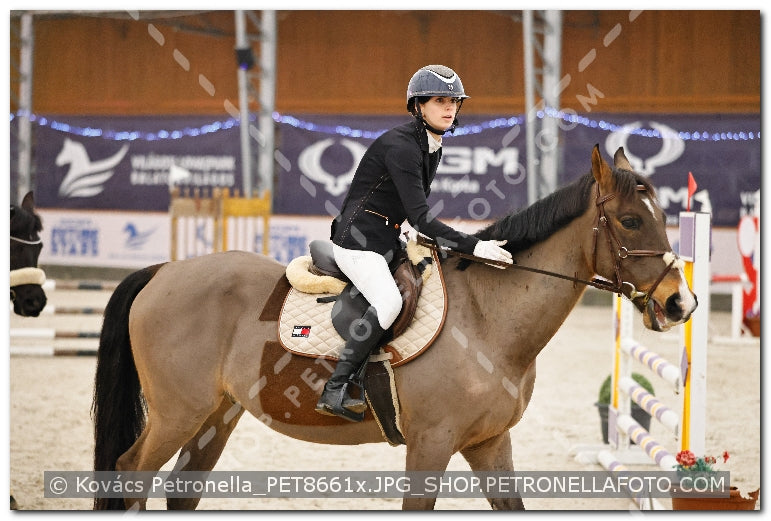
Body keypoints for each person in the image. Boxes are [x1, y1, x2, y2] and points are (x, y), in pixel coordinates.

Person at [315, 64, 513, 421]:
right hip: (357, 241)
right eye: (440, 101)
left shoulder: (431, 145)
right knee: (389, 302)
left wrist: (412, 232)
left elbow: (410, 210)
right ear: (419, 106)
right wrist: (475, 246)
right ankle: (335, 387)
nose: (449, 108)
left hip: (387, 235)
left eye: (454, 101)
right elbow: (422, 216)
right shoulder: (403, 147)